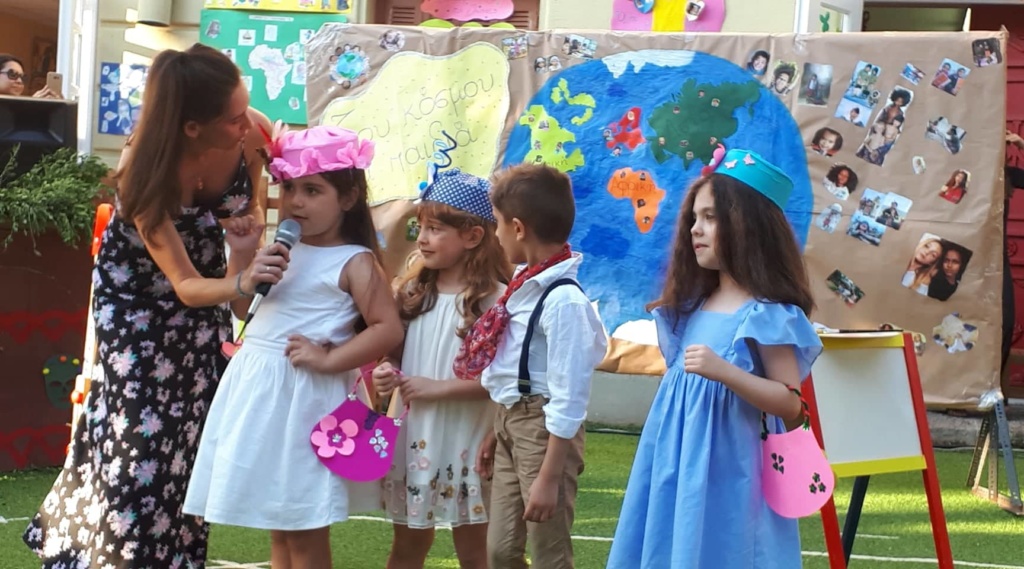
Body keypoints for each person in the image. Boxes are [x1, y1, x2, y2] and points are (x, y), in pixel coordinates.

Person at [24, 43, 273, 567]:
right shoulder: (144, 172)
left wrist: (243, 249)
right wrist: (242, 280)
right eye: (233, 118)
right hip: (136, 305)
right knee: (137, 441)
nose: (246, 123)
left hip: (206, 290)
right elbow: (183, 284)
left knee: (186, 442)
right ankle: (105, 555)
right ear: (192, 128)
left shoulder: (249, 131)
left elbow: (246, 214)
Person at [184, 125, 404, 569]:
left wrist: (330, 359)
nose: (295, 201)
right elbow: (246, 309)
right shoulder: (281, 249)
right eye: (287, 188)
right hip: (263, 397)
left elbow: (387, 328)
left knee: (303, 527)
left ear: (348, 198)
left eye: (312, 190)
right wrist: (243, 255)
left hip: (307, 401)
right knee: (280, 526)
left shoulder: (354, 261)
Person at [606, 148, 822, 568]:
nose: (695, 229)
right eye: (694, 218)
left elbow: (791, 404)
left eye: (710, 217)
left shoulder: (767, 314)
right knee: (670, 544)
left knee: (724, 549)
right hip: (676, 463)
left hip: (733, 474)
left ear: (748, 226)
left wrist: (725, 372)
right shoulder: (694, 306)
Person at [459, 164, 607, 569]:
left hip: (544, 432)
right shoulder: (523, 283)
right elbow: (508, 367)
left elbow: (570, 397)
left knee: (549, 554)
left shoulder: (563, 301)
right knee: (500, 551)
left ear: (518, 228)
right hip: (511, 421)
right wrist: (496, 429)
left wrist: (549, 476)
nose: (496, 234)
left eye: (497, 224)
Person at [372, 168, 512, 569]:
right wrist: (386, 371)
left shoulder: (498, 302)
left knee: (475, 550)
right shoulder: (412, 292)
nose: (422, 238)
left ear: (473, 236)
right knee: (408, 545)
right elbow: (393, 355)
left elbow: (502, 381)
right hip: (416, 435)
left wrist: (437, 388)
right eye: (421, 228)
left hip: (470, 438)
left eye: (435, 229)